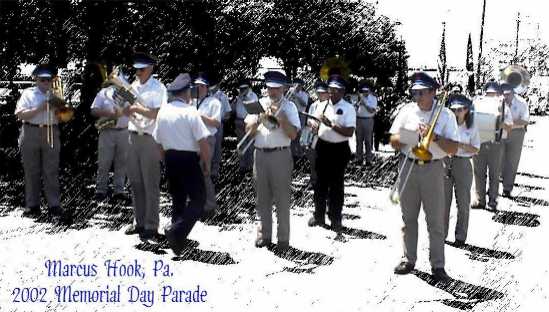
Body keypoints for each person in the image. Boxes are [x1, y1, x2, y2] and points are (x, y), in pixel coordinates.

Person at [389, 72, 458, 282]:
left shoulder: (446, 115)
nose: (416, 97)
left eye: (421, 93)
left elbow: (453, 148)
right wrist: (414, 136)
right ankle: (408, 259)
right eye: (414, 93)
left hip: (433, 168)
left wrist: (434, 136)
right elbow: (393, 141)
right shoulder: (407, 111)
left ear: (433, 92)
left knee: (435, 220)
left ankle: (438, 265)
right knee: (408, 217)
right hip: (408, 165)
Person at [153, 73, 210, 255]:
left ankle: (177, 242)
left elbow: (157, 141)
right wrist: (206, 163)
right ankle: (176, 231)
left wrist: (165, 159)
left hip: (170, 157)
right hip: (188, 158)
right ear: (186, 92)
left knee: (177, 198)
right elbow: (203, 142)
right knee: (198, 199)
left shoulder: (163, 112)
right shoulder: (190, 111)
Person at [245, 71, 300, 250]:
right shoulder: (258, 104)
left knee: (282, 198)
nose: (273, 92)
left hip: (280, 155)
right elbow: (248, 131)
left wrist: (281, 119)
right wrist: (257, 120)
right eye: (270, 88)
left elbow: (293, 135)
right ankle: (264, 235)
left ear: (283, 88)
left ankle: (283, 239)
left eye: (277, 89)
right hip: (260, 155)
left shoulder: (289, 107)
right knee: (262, 198)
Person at [123, 52, 168, 241]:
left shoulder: (158, 88)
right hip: (133, 136)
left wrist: (135, 109)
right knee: (136, 182)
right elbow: (125, 109)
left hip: (150, 138)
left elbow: (157, 113)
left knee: (151, 184)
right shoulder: (132, 87)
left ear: (151, 68)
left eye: (141, 69)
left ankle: (151, 226)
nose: (138, 72)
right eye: (136, 69)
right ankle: (139, 222)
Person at [14, 64, 64, 217]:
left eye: (49, 80)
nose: (46, 83)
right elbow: (20, 114)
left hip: (51, 132)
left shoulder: (56, 95)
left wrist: (60, 110)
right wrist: (40, 109)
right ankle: (32, 205)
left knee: (51, 171)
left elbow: (65, 117)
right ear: (36, 80)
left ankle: (54, 205)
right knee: (31, 171)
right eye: (42, 80)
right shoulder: (28, 94)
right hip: (30, 132)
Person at [307, 74, 356, 232]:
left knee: (336, 186)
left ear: (342, 92)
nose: (332, 93)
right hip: (322, 147)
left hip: (339, 149)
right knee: (319, 183)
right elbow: (315, 125)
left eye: (336, 91)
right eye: (330, 90)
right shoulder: (322, 106)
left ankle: (335, 219)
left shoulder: (348, 108)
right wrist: (315, 127)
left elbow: (349, 132)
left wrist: (331, 125)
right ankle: (319, 215)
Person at [443, 94, 480, 247]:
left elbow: (476, 149)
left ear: (466, 110)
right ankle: (441, 234)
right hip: (446, 162)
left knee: (463, 203)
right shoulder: (445, 125)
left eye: (460, 109)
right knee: (443, 203)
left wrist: (460, 145)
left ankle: (460, 236)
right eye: (453, 109)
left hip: (463, 163)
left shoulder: (471, 127)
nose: (456, 112)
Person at [471, 82, 513, 211]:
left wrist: (500, 125)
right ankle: (481, 200)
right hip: (479, 142)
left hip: (495, 143)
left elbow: (509, 126)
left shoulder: (502, 106)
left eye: (492, 93)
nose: (491, 96)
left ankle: (492, 201)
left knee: (493, 174)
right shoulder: (477, 103)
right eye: (489, 93)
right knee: (479, 173)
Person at [90, 81, 129, 202]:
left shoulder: (128, 93)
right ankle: (100, 191)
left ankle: (119, 191)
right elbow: (93, 111)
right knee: (104, 162)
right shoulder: (103, 93)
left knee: (122, 163)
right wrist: (109, 113)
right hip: (107, 131)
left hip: (124, 131)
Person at [193, 72, 222, 217]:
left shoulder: (214, 102)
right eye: (196, 86)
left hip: (207, 140)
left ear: (207, 87)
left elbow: (216, 123)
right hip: (192, 140)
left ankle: (210, 206)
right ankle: (197, 203)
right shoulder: (191, 101)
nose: (198, 88)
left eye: (201, 86)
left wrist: (199, 116)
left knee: (204, 172)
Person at [501, 84, 529, 198]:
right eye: (504, 93)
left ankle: (507, 188)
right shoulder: (498, 102)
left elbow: (525, 120)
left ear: (513, 92)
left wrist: (511, 124)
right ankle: (497, 183)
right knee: (499, 159)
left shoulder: (522, 103)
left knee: (512, 161)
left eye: (508, 94)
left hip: (516, 133)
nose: (505, 96)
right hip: (501, 132)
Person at [303, 80, 329, 187]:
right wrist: (311, 124)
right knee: (313, 159)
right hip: (313, 135)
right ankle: (313, 180)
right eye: (319, 92)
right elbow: (309, 118)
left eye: (322, 92)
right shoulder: (314, 105)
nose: (320, 95)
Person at [234, 79, 258, 173]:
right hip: (239, 121)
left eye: (244, 88)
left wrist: (245, 97)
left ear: (249, 88)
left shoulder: (253, 96)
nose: (242, 90)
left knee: (250, 145)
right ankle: (242, 165)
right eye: (241, 88)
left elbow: (253, 108)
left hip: (249, 123)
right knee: (241, 145)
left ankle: (250, 165)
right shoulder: (239, 96)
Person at [210, 82, 232, 180]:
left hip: (218, 124)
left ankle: (215, 170)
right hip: (207, 125)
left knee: (217, 147)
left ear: (218, 85)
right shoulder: (206, 95)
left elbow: (228, 112)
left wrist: (222, 119)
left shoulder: (223, 97)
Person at [355, 82, 378, 166]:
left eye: (366, 90)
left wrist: (364, 104)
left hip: (368, 120)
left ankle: (368, 160)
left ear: (369, 90)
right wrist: (357, 105)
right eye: (363, 90)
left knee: (368, 141)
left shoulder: (373, 98)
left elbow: (372, 110)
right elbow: (354, 109)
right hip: (359, 120)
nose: (364, 92)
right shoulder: (359, 97)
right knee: (359, 140)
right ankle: (359, 159)